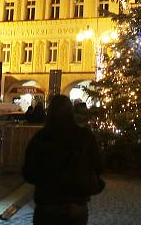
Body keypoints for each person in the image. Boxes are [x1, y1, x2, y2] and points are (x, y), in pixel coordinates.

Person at [23, 95, 103, 225]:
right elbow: (99, 166)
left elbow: (28, 173)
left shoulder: (41, 138)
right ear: (71, 112)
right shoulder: (85, 136)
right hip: (75, 205)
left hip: (47, 205)